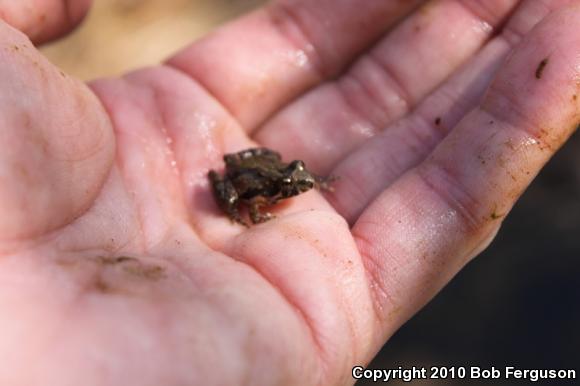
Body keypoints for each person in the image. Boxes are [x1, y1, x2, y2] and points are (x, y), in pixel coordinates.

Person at [0, 0, 577, 384]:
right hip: (239, 179)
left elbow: (287, 173)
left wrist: (304, 179)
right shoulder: (268, 190)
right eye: (298, 186)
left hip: (257, 165)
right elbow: (246, 189)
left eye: (303, 182)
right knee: (239, 186)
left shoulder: (293, 178)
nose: (302, 188)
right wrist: (249, 210)